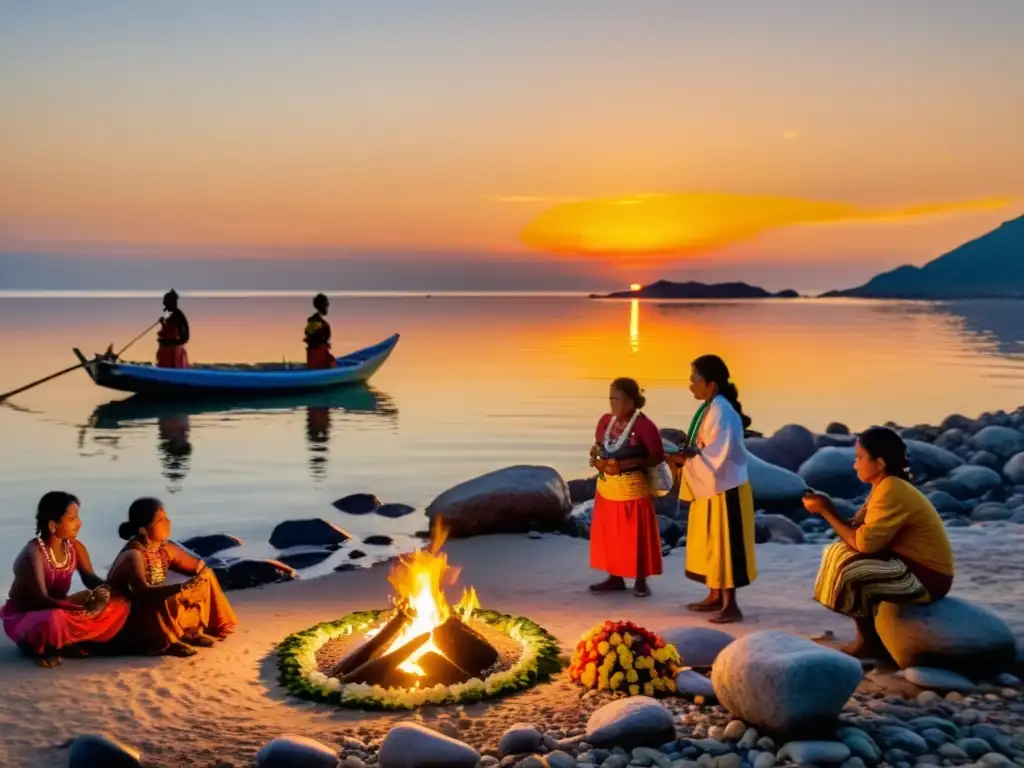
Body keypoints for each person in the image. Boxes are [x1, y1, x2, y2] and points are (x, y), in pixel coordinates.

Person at [805, 426, 954, 658]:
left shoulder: (892, 489)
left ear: (880, 463)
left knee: (852, 567)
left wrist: (826, 511)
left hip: (928, 577)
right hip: (911, 566)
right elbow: (856, 531)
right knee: (840, 552)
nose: (855, 464)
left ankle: (869, 643)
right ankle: (871, 638)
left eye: (860, 458)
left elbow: (865, 544)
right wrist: (825, 506)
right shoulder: (884, 487)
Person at [670, 355, 756, 624]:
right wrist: (688, 452)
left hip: (724, 486)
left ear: (711, 384)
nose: (690, 385)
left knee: (725, 545)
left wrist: (686, 459)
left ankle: (731, 605)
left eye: (694, 379)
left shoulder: (724, 412)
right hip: (710, 486)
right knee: (708, 541)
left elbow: (719, 456)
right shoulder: (710, 407)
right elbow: (704, 447)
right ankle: (714, 594)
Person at [1, 492, 130, 667]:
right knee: (54, 618)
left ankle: (67, 642)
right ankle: (40, 648)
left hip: (60, 607)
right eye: (72, 519)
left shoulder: (75, 547)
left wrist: (107, 589)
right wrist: (75, 604)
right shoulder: (33, 554)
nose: (79, 523)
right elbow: (40, 599)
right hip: (31, 614)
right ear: (53, 525)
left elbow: (89, 578)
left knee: (119, 603)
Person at [108, 497, 237, 657]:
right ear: (143, 529)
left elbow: (198, 566)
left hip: (151, 603)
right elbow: (143, 592)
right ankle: (167, 641)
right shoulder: (133, 554)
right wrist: (180, 588)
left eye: (166, 517)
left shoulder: (164, 548)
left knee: (205, 577)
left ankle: (191, 632)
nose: (168, 522)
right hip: (128, 615)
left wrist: (199, 578)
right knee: (161, 597)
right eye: (161, 520)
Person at [588, 377, 665, 597]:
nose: (613, 403)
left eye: (618, 399)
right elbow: (600, 446)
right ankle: (615, 577)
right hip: (609, 487)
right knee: (611, 533)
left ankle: (641, 581)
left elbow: (657, 456)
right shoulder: (606, 421)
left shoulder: (643, 426)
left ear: (631, 401)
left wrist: (626, 464)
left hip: (633, 488)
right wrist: (597, 458)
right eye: (610, 398)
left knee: (636, 535)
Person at [156, 289, 190, 368]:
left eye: (165, 301)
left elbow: (185, 334)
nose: (163, 303)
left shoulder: (178, 315)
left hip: (173, 352)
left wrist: (177, 342)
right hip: (167, 350)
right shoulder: (168, 313)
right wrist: (162, 322)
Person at [304, 293, 336, 370]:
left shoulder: (314, 321)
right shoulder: (318, 323)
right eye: (327, 305)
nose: (328, 308)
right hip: (318, 359)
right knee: (332, 364)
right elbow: (314, 340)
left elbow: (310, 337)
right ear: (323, 306)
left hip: (313, 357)